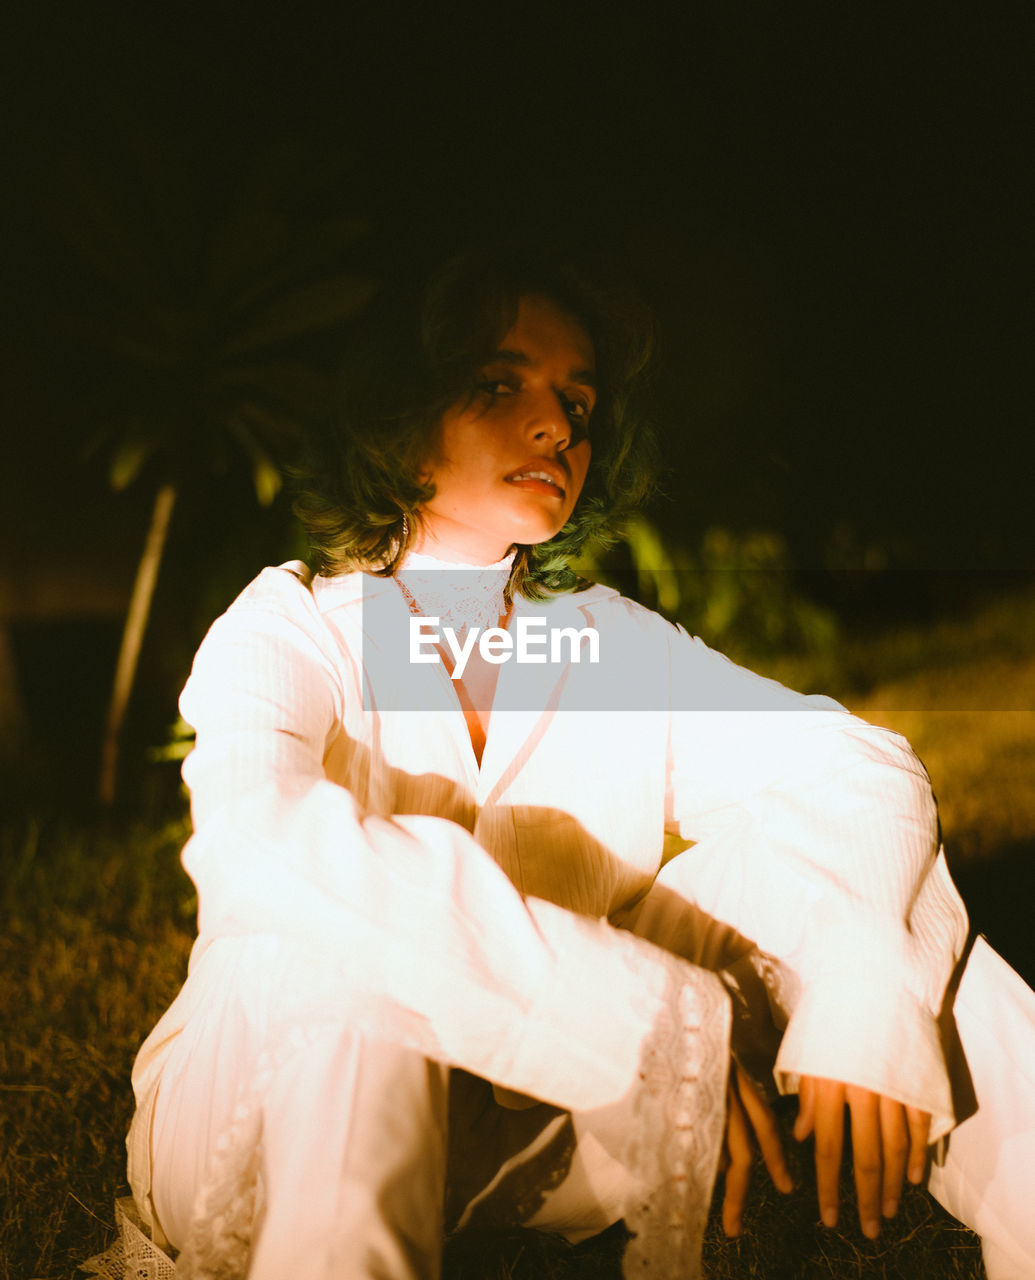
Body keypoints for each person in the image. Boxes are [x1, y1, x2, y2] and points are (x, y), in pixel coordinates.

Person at [126, 246, 1035, 1280]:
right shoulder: (294, 625)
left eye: (577, 401)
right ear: (399, 417)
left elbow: (859, 768)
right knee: (349, 954)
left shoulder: (600, 642)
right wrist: (641, 1012)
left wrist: (866, 991)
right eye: (500, 384)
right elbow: (260, 846)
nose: (557, 425)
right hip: (268, 1105)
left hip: (536, 1130)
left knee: (876, 907)